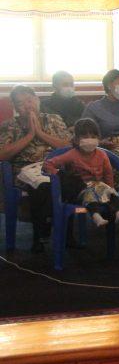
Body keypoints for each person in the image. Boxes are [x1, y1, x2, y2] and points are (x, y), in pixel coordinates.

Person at [0, 86, 71, 251]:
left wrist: (40, 133)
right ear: (15, 108)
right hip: (25, 172)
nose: (28, 106)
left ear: (38, 100)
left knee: (68, 181)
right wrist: (30, 135)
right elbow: (2, 155)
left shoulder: (53, 119)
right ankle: (44, 232)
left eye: (30, 100)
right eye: (21, 103)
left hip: (55, 167)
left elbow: (68, 147)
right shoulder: (9, 125)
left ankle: (50, 232)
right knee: (42, 185)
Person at [43, 118, 119, 228]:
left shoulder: (102, 155)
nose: (89, 140)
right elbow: (48, 164)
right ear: (76, 139)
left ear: (98, 138)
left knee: (113, 194)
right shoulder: (72, 154)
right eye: (85, 137)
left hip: (101, 188)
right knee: (90, 195)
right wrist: (59, 175)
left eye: (93, 136)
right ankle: (97, 217)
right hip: (82, 190)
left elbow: (108, 174)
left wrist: (110, 188)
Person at [82, 69, 119, 147]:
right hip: (102, 149)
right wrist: (100, 143)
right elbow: (84, 136)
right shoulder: (93, 108)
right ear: (109, 85)